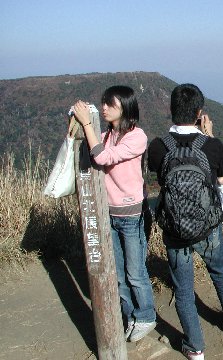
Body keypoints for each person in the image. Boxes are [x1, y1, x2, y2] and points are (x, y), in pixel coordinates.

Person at [147, 84, 223, 360]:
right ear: (200, 112)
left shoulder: (158, 146)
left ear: (170, 110)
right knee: (220, 272)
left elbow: (158, 173)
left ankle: (195, 346)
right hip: (208, 228)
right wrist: (208, 134)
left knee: (183, 288)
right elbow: (222, 177)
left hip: (176, 231)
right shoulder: (211, 145)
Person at [72, 86, 156, 343]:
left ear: (126, 108)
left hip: (131, 215)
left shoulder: (137, 136)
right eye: (103, 103)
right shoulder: (107, 135)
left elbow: (103, 158)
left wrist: (87, 124)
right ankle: (130, 315)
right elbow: (95, 151)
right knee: (118, 273)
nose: (105, 108)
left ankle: (146, 316)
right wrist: (79, 127)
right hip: (109, 213)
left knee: (135, 271)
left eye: (111, 104)